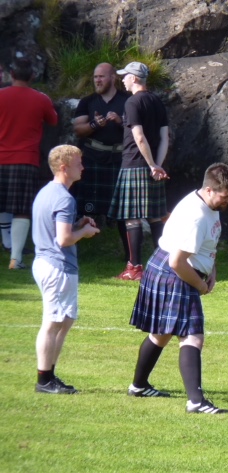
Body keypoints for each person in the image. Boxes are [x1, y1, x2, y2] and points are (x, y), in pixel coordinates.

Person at [128, 163, 228, 415]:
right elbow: (177, 262)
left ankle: (139, 386)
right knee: (192, 336)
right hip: (174, 273)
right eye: (226, 196)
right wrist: (199, 283)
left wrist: (211, 269)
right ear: (209, 190)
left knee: (162, 333)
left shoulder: (208, 204)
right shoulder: (197, 216)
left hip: (176, 269)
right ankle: (196, 402)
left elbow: (207, 243)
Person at [32, 145, 100, 394]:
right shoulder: (63, 197)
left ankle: (49, 375)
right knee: (52, 323)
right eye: (78, 163)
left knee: (65, 320)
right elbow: (63, 239)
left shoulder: (47, 192)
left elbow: (58, 230)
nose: (82, 167)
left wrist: (77, 224)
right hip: (57, 267)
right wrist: (85, 231)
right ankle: (44, 381)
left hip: (47, 264)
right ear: (64, 168)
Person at [109, 61, 169, 281]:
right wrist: (157, 165)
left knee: (132, 218)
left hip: (135, 164)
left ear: (134, 78)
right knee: (155, 218)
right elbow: (164, 138)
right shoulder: (157, 101)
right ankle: (163, 265)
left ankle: (134, 268)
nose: (123, 79)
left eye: (125, 75)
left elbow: (139, 136)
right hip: (153, 167)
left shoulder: (132, 102)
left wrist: (151, 164)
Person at [0, 57, 58, 270]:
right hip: (25, 159)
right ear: (32, 76)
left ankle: (7, 243)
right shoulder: (40, 99)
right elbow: (53, 120)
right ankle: (15, 258)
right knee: (22, 209)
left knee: (3, 204)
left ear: (12, 75)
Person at [73, 63, 130, 260]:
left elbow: (139, 128)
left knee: (124, 210)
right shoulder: (88, 101)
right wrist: (94, 124)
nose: (97, 80)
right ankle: (73, 250)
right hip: (92, 158)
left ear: (113, 78)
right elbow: (78, 128)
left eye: (101, 77)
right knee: (83, 207)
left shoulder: (128, 100)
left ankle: (130, 256)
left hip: (119, 159)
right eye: (95, 77)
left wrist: (120, 122)